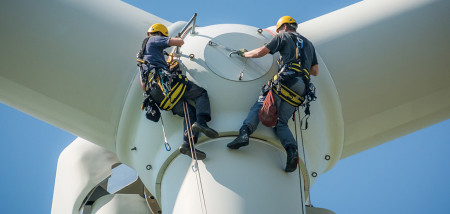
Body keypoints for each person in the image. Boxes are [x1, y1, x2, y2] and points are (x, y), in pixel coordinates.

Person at [227, 16, 319, 172]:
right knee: (281, 123)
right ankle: (291, 151)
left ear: (282, 27)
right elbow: (315, 71)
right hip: (301, 88)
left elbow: (261, 52)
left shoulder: (283, 36)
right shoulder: (309, 44)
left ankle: (244, 133)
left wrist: (244, 54)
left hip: (286, 80)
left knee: (261, 104)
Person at [137, 23, 219, 160]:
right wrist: (184, 34)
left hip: (158, 95)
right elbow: (179, 42)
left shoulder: (142, 57)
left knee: (189, 112)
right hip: (167, 84)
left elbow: (143, 85)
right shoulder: (154, 39)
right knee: (200, 93)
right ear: (160, 34)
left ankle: (187, 144)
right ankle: (202, 122)